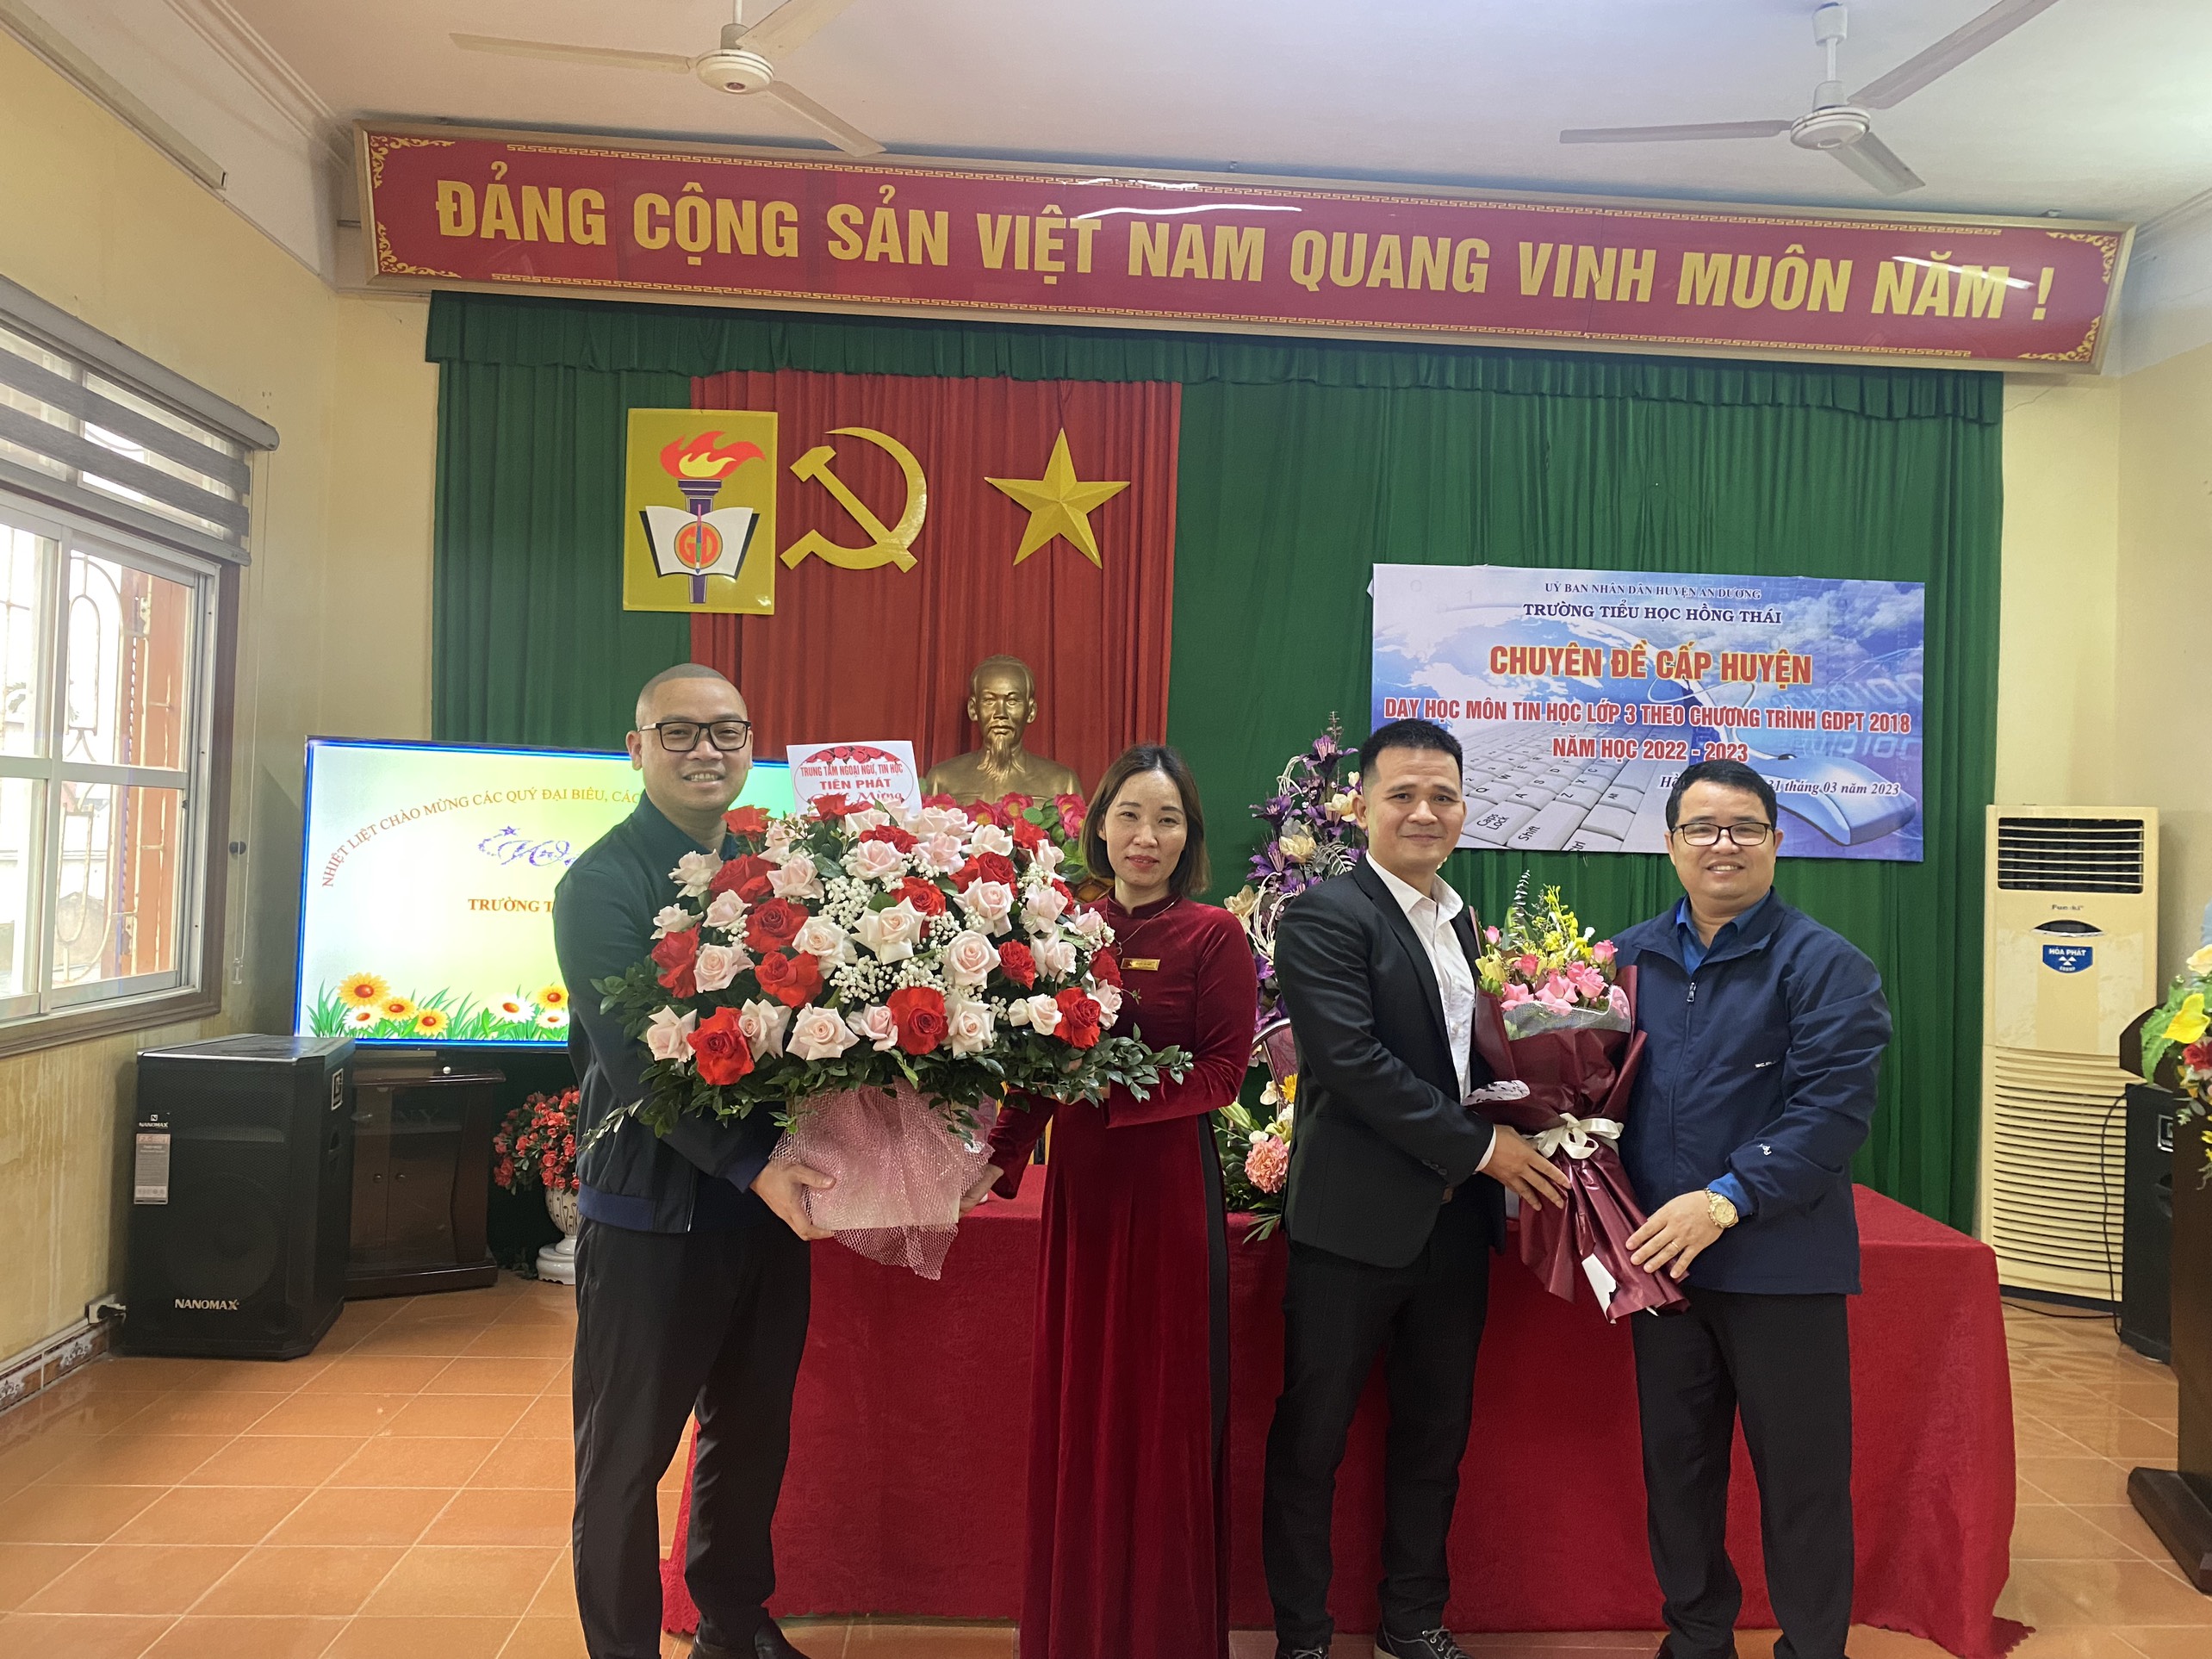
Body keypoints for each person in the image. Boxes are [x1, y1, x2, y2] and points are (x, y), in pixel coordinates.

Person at [1260, 718, 1569, 1659]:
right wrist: (1482, 1149)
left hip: (1453, 1231)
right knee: (1313, 1440)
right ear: (1362, 807)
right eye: (1402, 795)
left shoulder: (1463, 921)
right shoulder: (1323, 916)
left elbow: (1469, 1062)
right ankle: (1303, 1636)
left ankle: (1414, 1619)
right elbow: (1351, 1063)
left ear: (1465, 809)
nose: (1424, 812)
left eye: (1443, 796)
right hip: (1352, 1226)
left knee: (1436, 1434)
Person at [556, 663, 834, 1659]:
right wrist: (753, 1163)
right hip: (652, 1216)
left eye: (726, 732)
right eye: (679, 732)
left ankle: (732, 1625)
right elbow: (636, 1059)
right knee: (624, 1462)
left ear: (750, 747)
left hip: (766, 1214)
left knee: (751, 1437)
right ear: (637, 749)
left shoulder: (776, 870)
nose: (705, 750)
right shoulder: (600, 884)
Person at [960, 744, 1258, 1659]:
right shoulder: (1066, 928)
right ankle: (1075, 1629)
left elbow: (1223, 1074)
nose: (1146, 836)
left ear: (1189, 837)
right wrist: (996, 1159)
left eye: (1167, 819)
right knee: (1081, 1401)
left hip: (1167, 1194)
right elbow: (1037, 1071)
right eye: (1129, 814)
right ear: (1099, 825)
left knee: (1160, 1405)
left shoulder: (1213, 935)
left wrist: (1109, 1091)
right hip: (1082, 1195)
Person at [1614, 758, 1892, 1659]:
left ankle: (1812, 1648)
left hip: (1782, 1265)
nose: (1721, 845)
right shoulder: (1623, 961)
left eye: (1743, 828)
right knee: (1678, 1471)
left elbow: (1831, 1114)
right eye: (1701, 828)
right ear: (1671, 845)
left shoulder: (1827, 966)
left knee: (1802, 1480)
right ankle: (1697, 1637)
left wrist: (1726, 1199)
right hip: (1663, 1268)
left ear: (1777, 841)